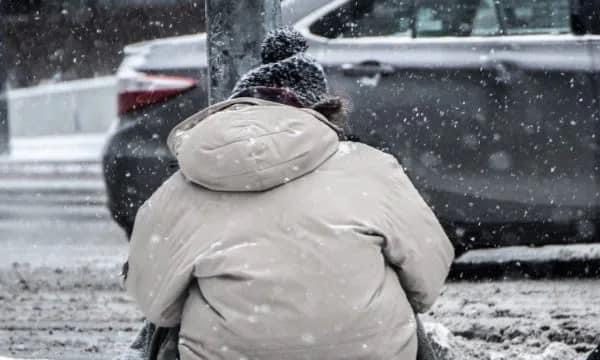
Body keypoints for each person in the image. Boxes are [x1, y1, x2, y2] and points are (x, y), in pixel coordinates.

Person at [124, 28, 454, 360]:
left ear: (236, 109)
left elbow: (152, 299)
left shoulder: (185, 184)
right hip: (369, 352)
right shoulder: (372, 167)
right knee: (397, 285)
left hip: (227, 352)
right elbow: (429, 277)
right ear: (325, 111)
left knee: (167, 318)